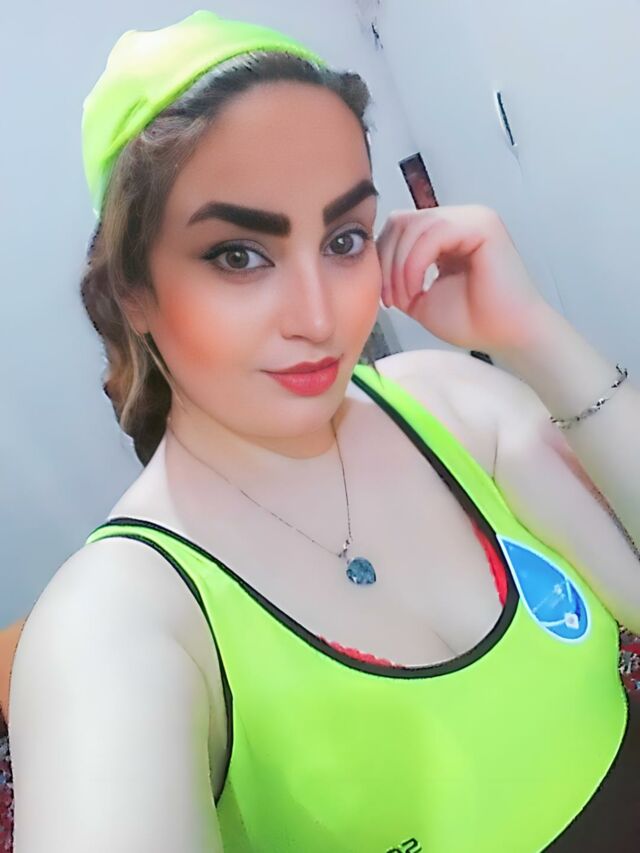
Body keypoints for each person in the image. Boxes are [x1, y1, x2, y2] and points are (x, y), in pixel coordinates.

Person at [7, 10, 640, 852]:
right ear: (132, 291)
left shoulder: (448, 404)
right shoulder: (120, 617)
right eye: (239, 254)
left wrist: (530, 333)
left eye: (344, 239)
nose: (319, 315)